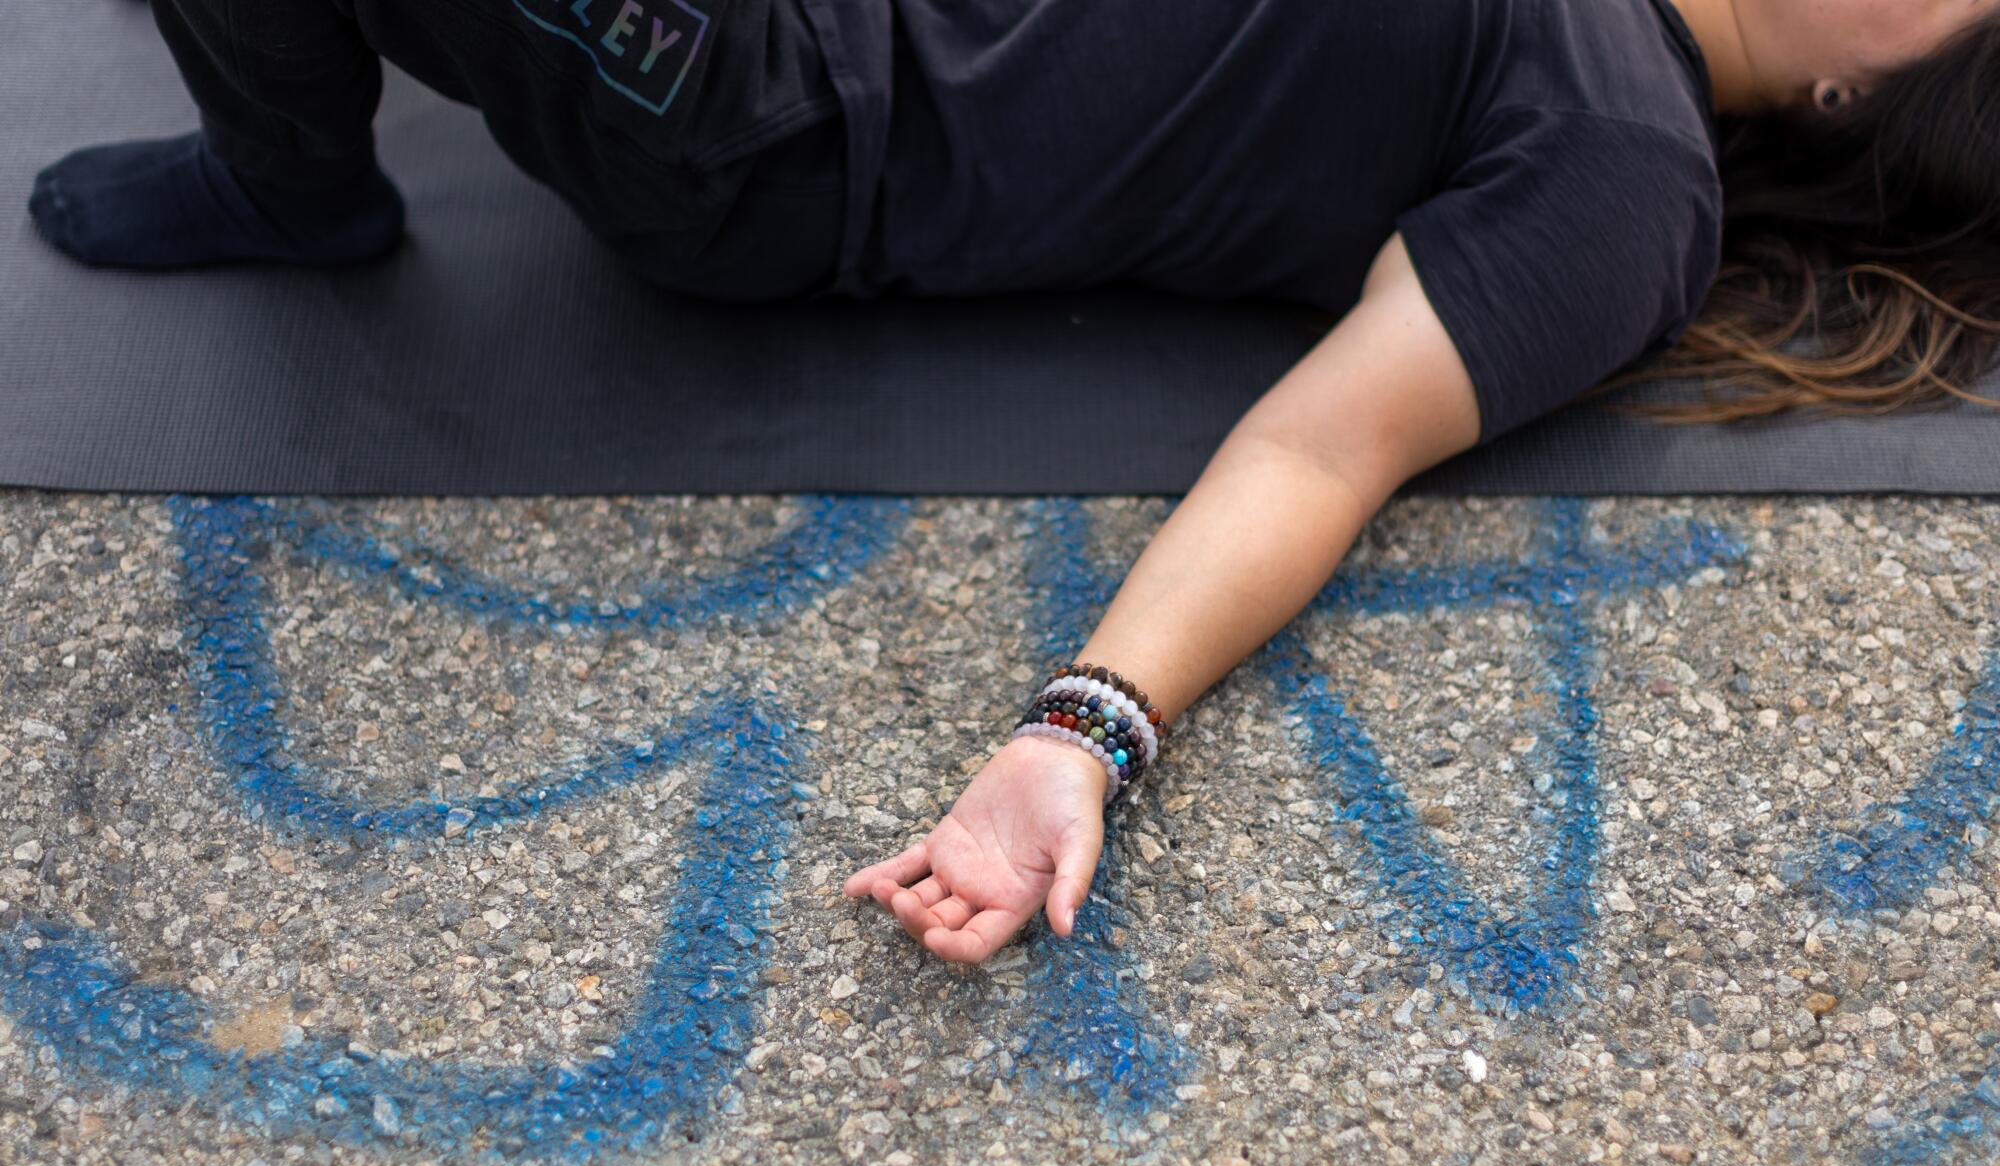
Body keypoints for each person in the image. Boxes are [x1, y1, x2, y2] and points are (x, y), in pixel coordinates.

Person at [30, 0, 2000, 963]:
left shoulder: (1620, 173)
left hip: (787, 112)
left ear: (1865, 95)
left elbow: (1324, 444)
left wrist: (1076, 733)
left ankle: (292, 177)